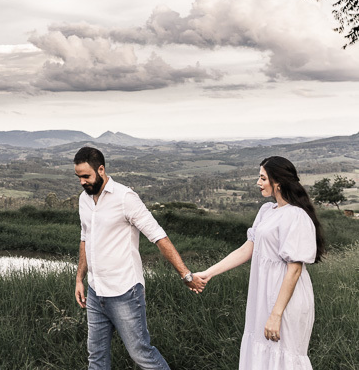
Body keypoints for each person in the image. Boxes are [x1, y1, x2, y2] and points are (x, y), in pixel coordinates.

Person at [74, 146, 206, 370]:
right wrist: (79, 279)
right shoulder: (84, 200)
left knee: (141, 355)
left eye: (86, 176)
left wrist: (186, 274)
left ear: (101, 170)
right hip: (96, 292)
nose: (82, 182)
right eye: (78, 177)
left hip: (125, 292)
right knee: (96, 358)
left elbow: (158, 237)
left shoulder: (125, 198)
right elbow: (86, 238)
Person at [195, 156, 325, 369]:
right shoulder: (267, 211)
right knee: (261, 353)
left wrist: (276, 314)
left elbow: (294, 270)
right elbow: (248, 248)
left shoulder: (296, 216)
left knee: (284, 356)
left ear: (278, 182)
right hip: (262, 294)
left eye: (263, 178)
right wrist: (209, 273)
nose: (258, 182)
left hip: (285, 299)